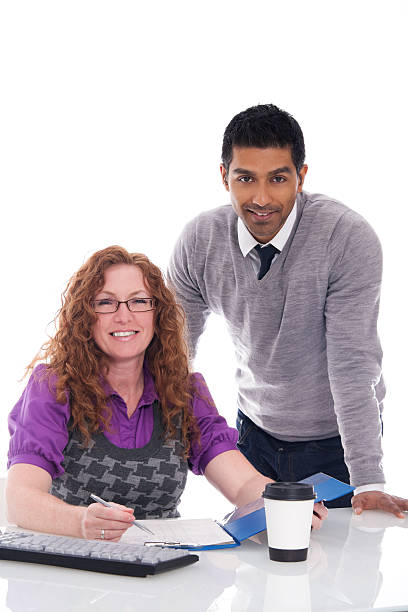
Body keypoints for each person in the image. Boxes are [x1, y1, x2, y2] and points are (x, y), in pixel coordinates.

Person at [168, 103, 408, 517]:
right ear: (224, 177)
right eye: (245, 178)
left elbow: (353, 365)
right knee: (257, 571)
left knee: (341, 569)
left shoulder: (346, 238)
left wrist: (367, 478)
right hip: (254, 435)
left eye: (278, 179)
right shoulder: (200, 241)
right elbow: (170, 354)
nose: (261, 198)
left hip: (335, 444)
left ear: (301, 178)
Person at [7, 246, 327, 541]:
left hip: (165, 572)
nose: (124, 315)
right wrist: (80, 522)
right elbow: (21, 497)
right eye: (105, 302)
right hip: (79, 577)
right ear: (85, 317)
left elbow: (242, 483)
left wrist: (287, 501)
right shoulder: (54, 387)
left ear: (156, 313)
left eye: (139, 301)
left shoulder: (185, 392)